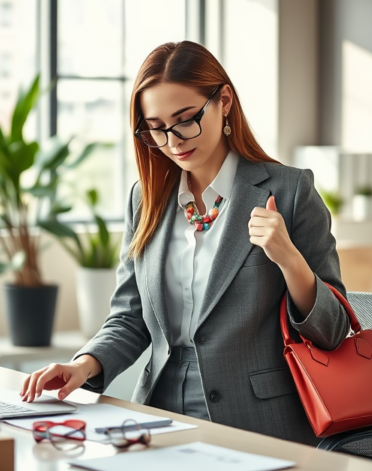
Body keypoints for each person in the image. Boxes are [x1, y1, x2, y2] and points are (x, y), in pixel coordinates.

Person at [20, 41, 349, 445]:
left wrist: (289, 260)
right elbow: (129, 318)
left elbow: (334, 330)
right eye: (155, 128)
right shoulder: (147, 200)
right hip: (158, 416)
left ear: (224, 100)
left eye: (186, 119)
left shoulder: (290, 191)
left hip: (257, 423)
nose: (173, 140)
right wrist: (84, 365)